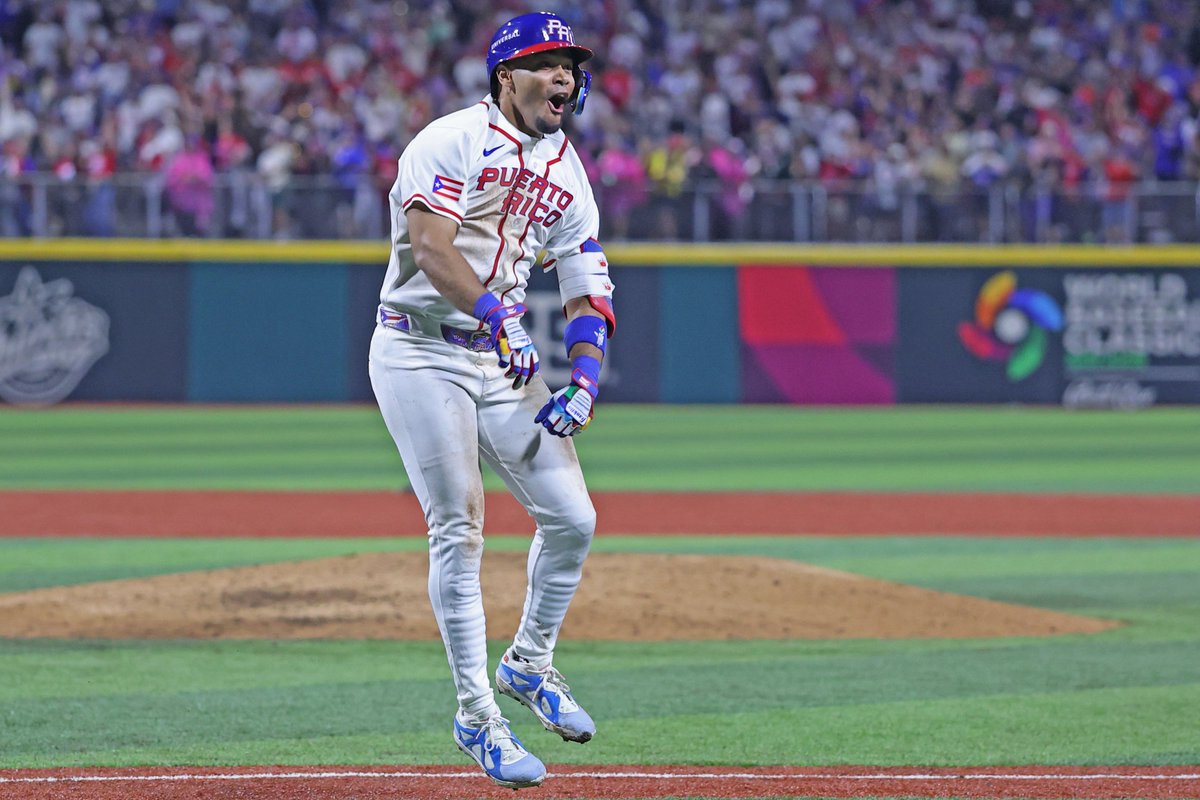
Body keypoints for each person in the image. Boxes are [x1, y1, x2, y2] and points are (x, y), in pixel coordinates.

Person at [367, 11, 615, 791]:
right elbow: (432, 248)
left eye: (572, 66)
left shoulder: (569, 172)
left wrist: (584, 379)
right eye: (548, 63)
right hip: (419, 346)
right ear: (506, 74)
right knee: (460, 527)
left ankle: (529, 664)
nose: (565, 77)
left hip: (500, 358)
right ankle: (477, 717)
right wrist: (499, 315)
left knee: (575, 519)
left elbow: (586, 283)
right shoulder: (447, 139)